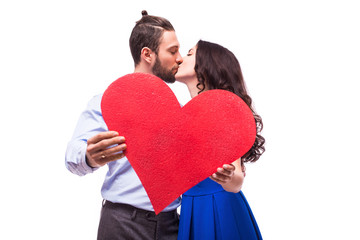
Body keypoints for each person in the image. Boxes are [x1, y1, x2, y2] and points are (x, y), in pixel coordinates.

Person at [65, 11, 183, 240]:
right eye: (172, 51)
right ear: (147, 54)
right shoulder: (108, 102)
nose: (179, 58)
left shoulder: (177, 108)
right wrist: (89, 156)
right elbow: (71, 155)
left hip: (172, 224)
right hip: (122, 224)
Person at [175, 40, 265, 240]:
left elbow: (236, 181)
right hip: (191, 208)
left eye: (189, 54)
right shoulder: (182, 114)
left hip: (217, 209)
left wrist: (228, 177)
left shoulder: (222, 111)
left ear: (206, 67)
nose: (180, 58)